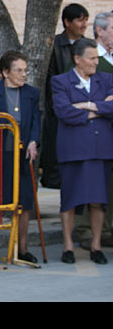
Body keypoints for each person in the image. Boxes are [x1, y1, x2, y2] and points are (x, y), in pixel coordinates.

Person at [0, 50, 41, 263]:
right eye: (18, 71)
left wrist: (33, 141)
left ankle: (21, 249)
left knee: (23, 203)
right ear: (5, 72)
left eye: (25, 70)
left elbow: (36, 121)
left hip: (22, 155)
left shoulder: (31, 93)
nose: (23, 75)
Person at [51, 37, 113, 265]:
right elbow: (63, 111)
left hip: (101, 149)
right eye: (92, 58)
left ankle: (96, 245)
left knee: (98, 200)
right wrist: (101, 107)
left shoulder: (106, 79)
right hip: (73, 149)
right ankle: (68, 245)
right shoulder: (61, 81)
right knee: (70, 199)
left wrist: (87, 105)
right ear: (78, 59)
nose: (96, 62)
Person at [74, 12, 113, 250]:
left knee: (106, 185)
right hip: (87, 133)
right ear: (100, 31)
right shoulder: (82, 57)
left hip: (107, 132)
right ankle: (85, 231)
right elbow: (76, 98)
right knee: (86, 184)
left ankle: (106, 230)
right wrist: (102, 106)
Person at [41, 3, 89, 188]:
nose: (84, 24)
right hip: (59, 109)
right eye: (79, 19)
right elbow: (51, 79)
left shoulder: (86, 46)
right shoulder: (54, 46)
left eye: (85, 19)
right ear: (67, 22)